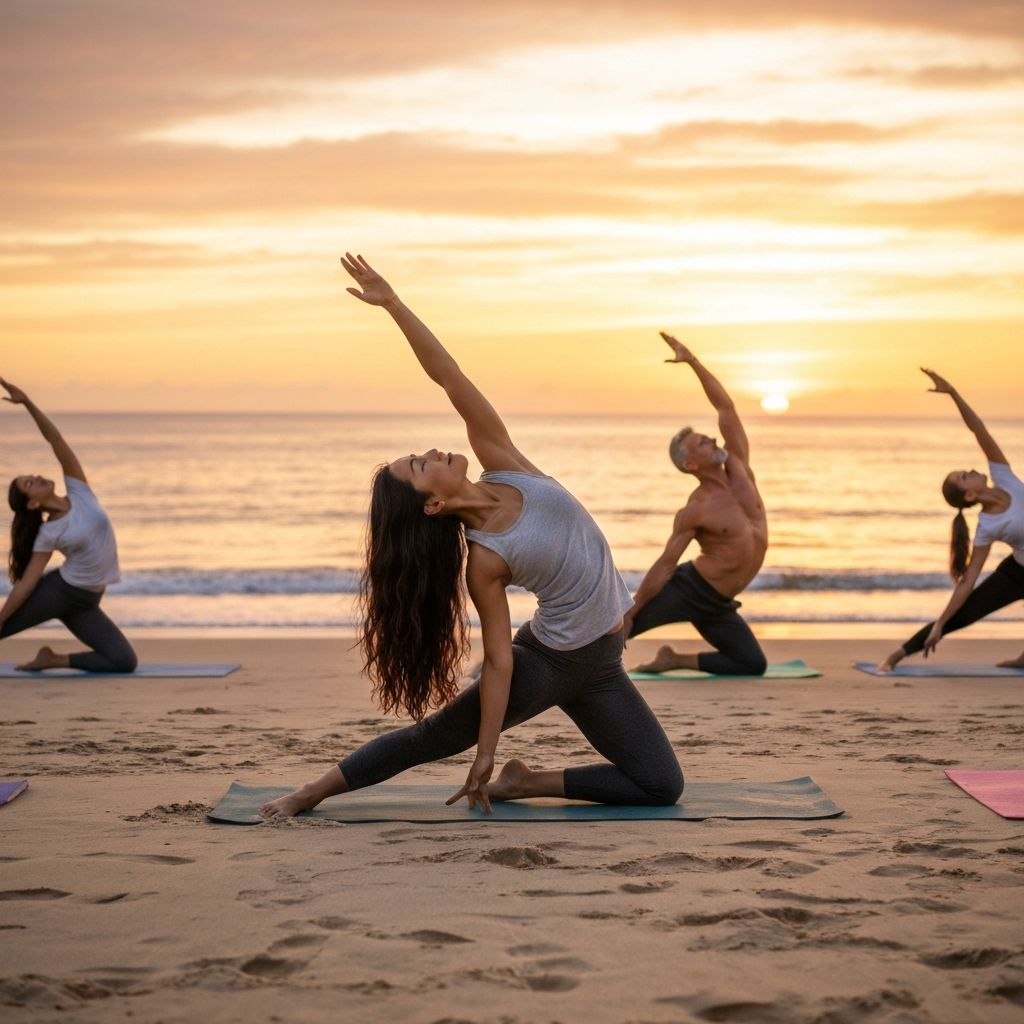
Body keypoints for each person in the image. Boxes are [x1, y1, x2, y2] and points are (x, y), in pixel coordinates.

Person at [261, 255, 682, 817]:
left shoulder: (505, 464)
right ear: (433, 503)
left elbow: (450, 378)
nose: (431, 451)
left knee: (660, 785)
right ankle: (309, 793)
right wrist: (485, 752)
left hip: (601, 661)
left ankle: (524, 783)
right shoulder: (484, 562)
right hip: (552, 663)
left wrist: (393, 305)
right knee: (433, 738)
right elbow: (501, 662)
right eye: (418, 463)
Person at [624, 334, 768, 676]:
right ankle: (513, 660)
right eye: (703, 442)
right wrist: (632, 610)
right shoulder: (696, 509)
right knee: (610, 634)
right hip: (689, 590)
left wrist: (693, 362)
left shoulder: (739, 469)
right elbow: (666, 564)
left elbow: (725, 408)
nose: (713, 439)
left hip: (717, 604)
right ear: (691, 464)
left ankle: (673, 660)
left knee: (752, 664)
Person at [877, 369, 1024, 672]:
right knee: (964, 614)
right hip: (1018, 573)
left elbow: (978, 429)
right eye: (963, 476)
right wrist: (940, 623)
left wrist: (954, 394)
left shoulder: (1004, 477)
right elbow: (968, 581)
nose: (969, 469)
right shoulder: (988, 527)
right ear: (970, 496)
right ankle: (896, 656)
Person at [1, 379, 137, 673]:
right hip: (61, 593)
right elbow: (26, 584)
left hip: (87, 601)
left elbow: (56, 441)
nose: (36, 476)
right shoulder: (48, 533)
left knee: (124, 661)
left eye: (32, 475)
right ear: (33, 504)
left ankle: (51, 660)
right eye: (29, 483)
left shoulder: (79, 491)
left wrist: (27, 403)